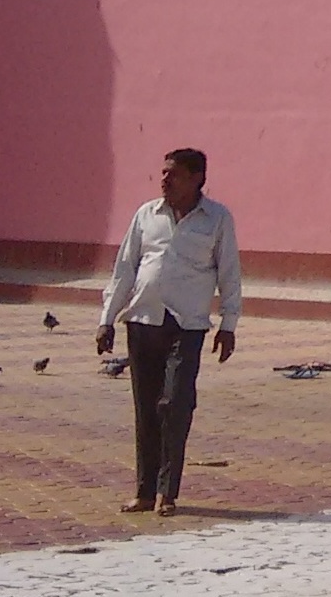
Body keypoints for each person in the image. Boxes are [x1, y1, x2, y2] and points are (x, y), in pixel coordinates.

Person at [94, 147, 241, 517]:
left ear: (196, 179)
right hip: (143, 322)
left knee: (174, 405)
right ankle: (144, 491)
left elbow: (229, 273)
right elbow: (125, 268)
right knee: (146, 409)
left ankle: (167, 491)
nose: (165, 180)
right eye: (162, 173)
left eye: (173, 174)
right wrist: (107, 318)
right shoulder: (146, 215)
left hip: (187, 325)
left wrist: (228, 324)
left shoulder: (217, 219)